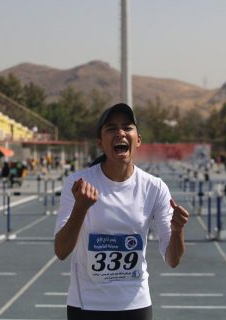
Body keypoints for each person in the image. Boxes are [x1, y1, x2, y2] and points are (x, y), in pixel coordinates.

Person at [54, 103, 190, 320]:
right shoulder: (78, 183)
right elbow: (61, 251)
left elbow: (172, 260)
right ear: (100, 141)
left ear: (138, 139)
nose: (120, 133)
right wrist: (81, 208)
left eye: (127, 127)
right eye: (111, 128)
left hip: (136, 306)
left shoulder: (154, 187)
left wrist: (177, 230)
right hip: (87, 305)